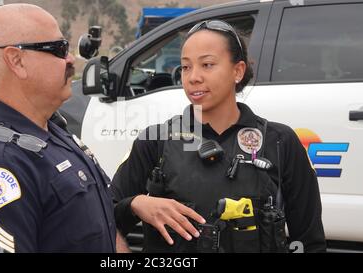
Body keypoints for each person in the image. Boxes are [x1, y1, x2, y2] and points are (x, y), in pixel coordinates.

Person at [111, 20, 326, 253]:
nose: (193, 77)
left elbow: (309, 241)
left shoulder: (280, 141)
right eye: (185, 67)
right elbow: (104, 215)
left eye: (207, 64)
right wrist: (136, 204)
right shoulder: (155, 140)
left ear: (238, 71)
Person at [0, 4, 116, 253]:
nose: (71, 59)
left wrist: (131, 206)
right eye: (59, 49)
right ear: (16, 61)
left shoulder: (53, 131)